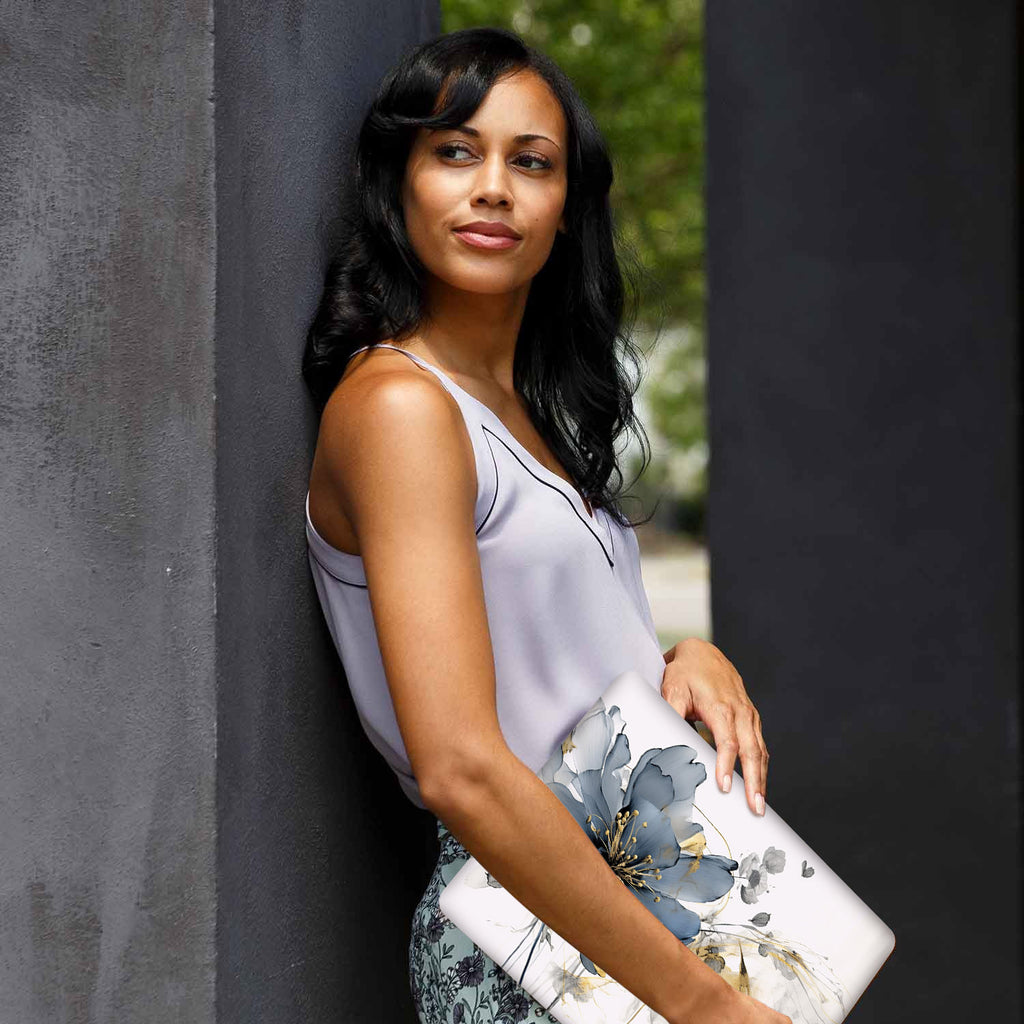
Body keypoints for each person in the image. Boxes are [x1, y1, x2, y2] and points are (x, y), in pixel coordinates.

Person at [302, 26, 787, 1024]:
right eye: (454, 152)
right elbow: (463, 766)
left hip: (631, 897)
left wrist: (684, 659)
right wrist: (701, 1004)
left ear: (566, 211)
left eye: (530, 162)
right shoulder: (401, 407)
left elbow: (551, 669)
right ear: (398, 184)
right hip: (528, 936)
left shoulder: (522, 414)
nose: (492, 187)